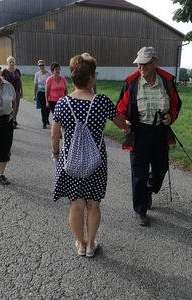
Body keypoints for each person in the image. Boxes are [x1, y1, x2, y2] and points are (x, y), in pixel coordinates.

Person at [51, 55, 130, 257]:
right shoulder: (102, 101)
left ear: (72, 77)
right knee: (93, 204)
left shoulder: (61, 103)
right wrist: (127, 128)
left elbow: (54, 134)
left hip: (71, 161)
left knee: (76, 204)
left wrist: (55, 153)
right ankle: (91, 244)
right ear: (92, 77)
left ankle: (80, 243)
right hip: (96, 161)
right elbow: (121, 124)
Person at [117, 46, 182, 226]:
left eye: (145, 64)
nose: (141, 68)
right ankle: (140, 209)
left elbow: (176, 105)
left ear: (155, 63)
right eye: (139, 64)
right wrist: (125, 123)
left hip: (160, 132)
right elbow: (121, 109)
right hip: (139, 132)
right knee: (139, 173)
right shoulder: (132, 83)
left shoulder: (167, 81)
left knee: (161, 169)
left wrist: (171, 117)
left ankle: (147, 190)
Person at [1, 56, 23, 128]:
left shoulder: (17, 71)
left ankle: (14, 118)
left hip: (17, 91)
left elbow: (20, 81)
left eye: (13, 62)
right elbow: (2, 82)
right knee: (9, 106)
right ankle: (10, 119)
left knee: (16, 106)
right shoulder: (4, 71)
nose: (12, 63)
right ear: (7, 63)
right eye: (10, 62)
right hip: (8, 92)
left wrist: (21, 91)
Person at [33, 60, 51, 129]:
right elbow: (35, 85)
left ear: (45, 66)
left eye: (42, 65)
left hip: (48, 91)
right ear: (38, 67)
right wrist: (34, 95)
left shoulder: (48, 73)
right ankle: (44, 122)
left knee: (48, 107)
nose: (41, 66)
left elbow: (51, 83)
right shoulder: (37, 74)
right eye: (40, 65)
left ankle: (46, 118)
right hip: (40, 92)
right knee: (43, 107)